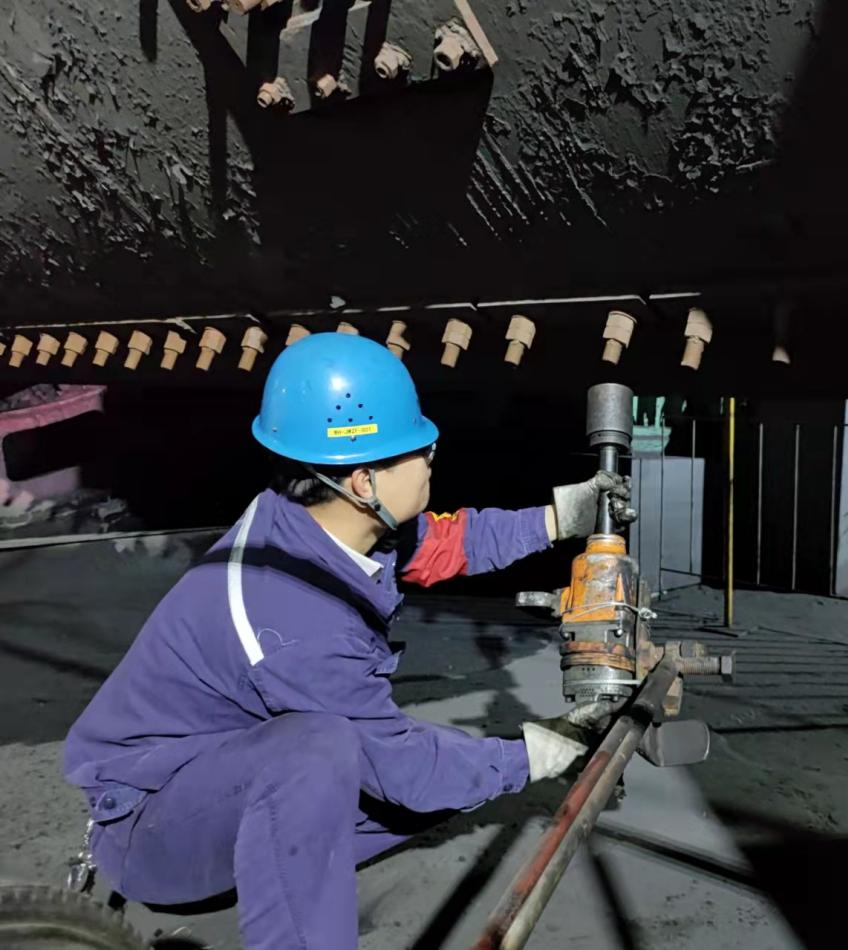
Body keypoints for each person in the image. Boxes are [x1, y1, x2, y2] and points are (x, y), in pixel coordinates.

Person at [62, 332, 635, 949]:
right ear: (363, 482)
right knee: (337, 753)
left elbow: (443, 544)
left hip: (222, 769)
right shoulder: (291, 617)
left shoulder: (312, 524)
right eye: (418, 449)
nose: (431, 455)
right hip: (155, 829)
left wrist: (558, 518)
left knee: (433, 774)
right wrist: (537, 753)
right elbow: (406, 769)